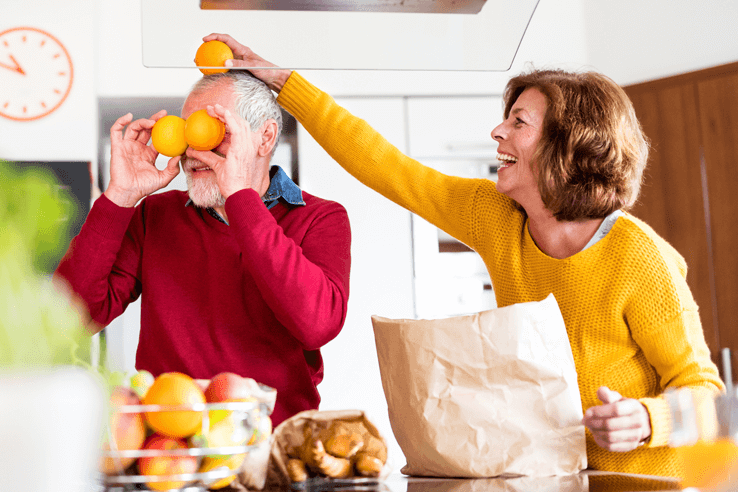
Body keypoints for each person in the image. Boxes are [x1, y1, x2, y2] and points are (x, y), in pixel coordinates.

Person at [204, 34, 725, 477]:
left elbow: (707, 394)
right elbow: (385, 165)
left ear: (570, 145)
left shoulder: (638, 258)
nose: (498, 132)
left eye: (519, 122)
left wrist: (647, 418)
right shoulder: (496, 216)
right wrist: (282, 81)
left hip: (645, 485)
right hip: (549, 477)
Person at [55, 70, 352, 426]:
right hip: (171, 447)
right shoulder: (155, 216)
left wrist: (239, 197)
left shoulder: (320, 218)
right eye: (189, 131)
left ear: (265, 137)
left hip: (275, 450)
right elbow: (70, 319)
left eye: (214, 130)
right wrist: (119, 197)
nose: (195, 149)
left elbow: (317, 324)